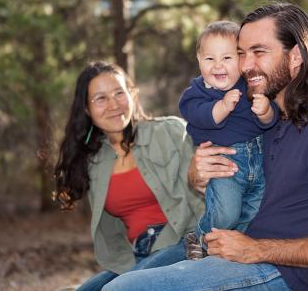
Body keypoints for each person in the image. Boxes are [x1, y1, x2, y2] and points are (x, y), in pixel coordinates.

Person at [102, 2, 308, 291]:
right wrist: (197, 176)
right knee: (102, 284)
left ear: (296, 55)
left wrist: (257, 250)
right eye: (241, 53)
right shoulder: (260, 114)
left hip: (285, 274)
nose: (246, 66)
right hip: (231, 249)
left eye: (259, 52)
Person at [53, 61, 203, 290]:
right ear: (86, 109)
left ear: (132, 95)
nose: (113, 105)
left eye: (119, 93)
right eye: (101, 98)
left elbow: (205, 194)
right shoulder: (93, 162)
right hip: (137, 256)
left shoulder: (170, 132)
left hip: (183, 243)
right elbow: (111, 232)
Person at [179, 21, 278, 259]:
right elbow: (200, 116)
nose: (218, 66)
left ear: (241, 61)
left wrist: (266, 111)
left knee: (254, 212)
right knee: (227, 214)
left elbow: (270, 122)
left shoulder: (250, 87)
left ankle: (224, 250)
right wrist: (222, 107)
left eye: (227, 58)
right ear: (199, 60)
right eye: (209, 59)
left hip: (258, 162)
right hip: (226, 163)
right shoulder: (197, 93)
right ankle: (200, 236)